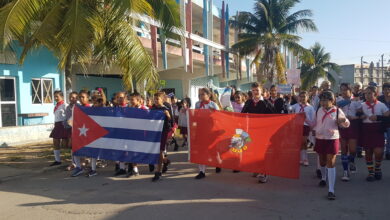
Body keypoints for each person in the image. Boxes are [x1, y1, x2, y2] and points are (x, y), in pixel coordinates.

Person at [313, 90, 350, 200]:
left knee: (331, 161)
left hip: (332, 138)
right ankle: (324, 178)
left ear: (332, 100)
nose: (323, 103)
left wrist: (344, 120)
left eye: (325, 100)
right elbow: (315, 122)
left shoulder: (337, 111)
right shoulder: (319, 110)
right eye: (322, 100)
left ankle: (331, 190)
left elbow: (346, 123)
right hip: (320, 138)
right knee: (322, 161)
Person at [241, 82, 275, 183]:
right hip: (251, 131)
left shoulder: (266, 103)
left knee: (262, 153)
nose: (255, 92)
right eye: (253, 90)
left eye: (257, 90)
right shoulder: (248, 102)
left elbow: (274, 117)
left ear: (262, 91)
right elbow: (242, 115)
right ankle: (256, 169)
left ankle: (264, 173)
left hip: (263, 132)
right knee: (254, 151)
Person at [361, 86, 389, 181]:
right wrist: (361, 116)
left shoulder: (381, 105)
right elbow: (357, 114)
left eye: (369, 93)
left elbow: (387, 116)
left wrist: (378, 117)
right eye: (366, 93)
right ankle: (371, 173)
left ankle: (377, 168)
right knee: (368, 152)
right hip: (367, 130)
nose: (367, 95)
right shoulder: (362, 105)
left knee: (378, 152)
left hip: (378, 130)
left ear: (375, 94)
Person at [336, 83, 361, 181]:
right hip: (342, 126)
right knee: (343, 149)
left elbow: (361, 114)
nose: (343, 92)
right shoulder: (339, 100)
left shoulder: (357, 100)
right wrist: (349, 100)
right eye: (341, 90)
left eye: (345, 90)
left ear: (350, 91)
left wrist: (355, 117)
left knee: (353, 149)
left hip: (353, 125)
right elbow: (337, 105)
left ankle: (352, 161)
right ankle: (345, 171)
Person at [194, 88, 220, 179]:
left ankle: (217, 163)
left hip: (211, 130)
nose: (200, 96)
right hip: (201, 130)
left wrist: (213, 114)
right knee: (201, 150)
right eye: (199, 95)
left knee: (213, 149)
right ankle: (202, 171)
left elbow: (219, 118)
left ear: (208, 95)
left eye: (202, 94)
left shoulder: (213, 104)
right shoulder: (197, 104)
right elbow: (195, 116)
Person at [127, 92, 149, 177]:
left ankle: (153, 162)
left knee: (144, 152)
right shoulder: (130, 109)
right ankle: (135, 169)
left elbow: (150, 120)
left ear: (139, 100)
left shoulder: (145, 109)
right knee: (132, 151)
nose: (131, 101)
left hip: (143, 134)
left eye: (132, 100)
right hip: (133, 134)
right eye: (130, 99)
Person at [151, 92, 172, 182]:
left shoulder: (166, 109)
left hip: (163, 132)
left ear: (162, 99)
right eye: (154, 99)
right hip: (154, 132)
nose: (155, 101)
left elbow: (171, 122)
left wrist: (167, 115)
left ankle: (158, 172)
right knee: (157, 152)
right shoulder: (152, 108)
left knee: (159, 151)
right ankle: (165, 161)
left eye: (157, 99)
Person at [291, 91, 315, 166]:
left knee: (304, 142)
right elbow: (289, 107)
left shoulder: (310, 107)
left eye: (304, 96)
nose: (302, 98)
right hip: (297, 125)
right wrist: (289, 100)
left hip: (306, 126)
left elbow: (313, 118)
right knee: (300, 142)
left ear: (307, 97)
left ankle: (305, 158)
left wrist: (312, 128)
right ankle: (301, 158)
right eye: (301, 96)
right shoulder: (297, 106)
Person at [71, 90, 91, 177]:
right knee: (75, 149)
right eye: (80, 97)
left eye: (83, 97)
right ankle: (79, 167)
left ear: (87, 98)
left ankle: (92, 167)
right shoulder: (76, 108)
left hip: (89, 132)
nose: (81, 99)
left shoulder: (91, 108)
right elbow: (72, 120)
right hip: (79, 132)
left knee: (90, 151)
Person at [49, 90, 68, 166]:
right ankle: (57, 160)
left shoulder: (65, 105)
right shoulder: (56, 106)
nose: (56, 98)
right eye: (55, 96)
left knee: (66, 145)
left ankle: (75, 159)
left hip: (64, 125)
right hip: (57, 125)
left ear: (62, 96)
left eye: (57, 96)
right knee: (55, 142)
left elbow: (69, 116)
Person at [113, 91, 130, 177]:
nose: (120, 99)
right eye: (118, 97)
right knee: (120, 150)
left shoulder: (130, 108)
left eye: (121, 97)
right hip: (118, 132)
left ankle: (132, 167)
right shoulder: (115, 108)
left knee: (128, 150)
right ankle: (122, 168)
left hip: (128, 132)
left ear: (125, 98)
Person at [64, 91, 78, 171]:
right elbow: (67, 119)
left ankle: (81, 161)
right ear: (69, 98)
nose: (73, 99)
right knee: (72, 146)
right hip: (70, 129)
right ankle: (73, 163)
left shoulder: (79, 107)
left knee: (79, 146)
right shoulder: (67, 108)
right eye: (72, 97)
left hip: (79, 130)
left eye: (75, 97)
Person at [377, 83, 390, 160]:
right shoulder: (380, 98)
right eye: (385, 89)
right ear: (383, 90)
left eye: (389, 89)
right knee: (382, 138)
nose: (387, 91)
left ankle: (388, 153)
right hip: (382, 121)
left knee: (389, 139)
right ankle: (380, 152)